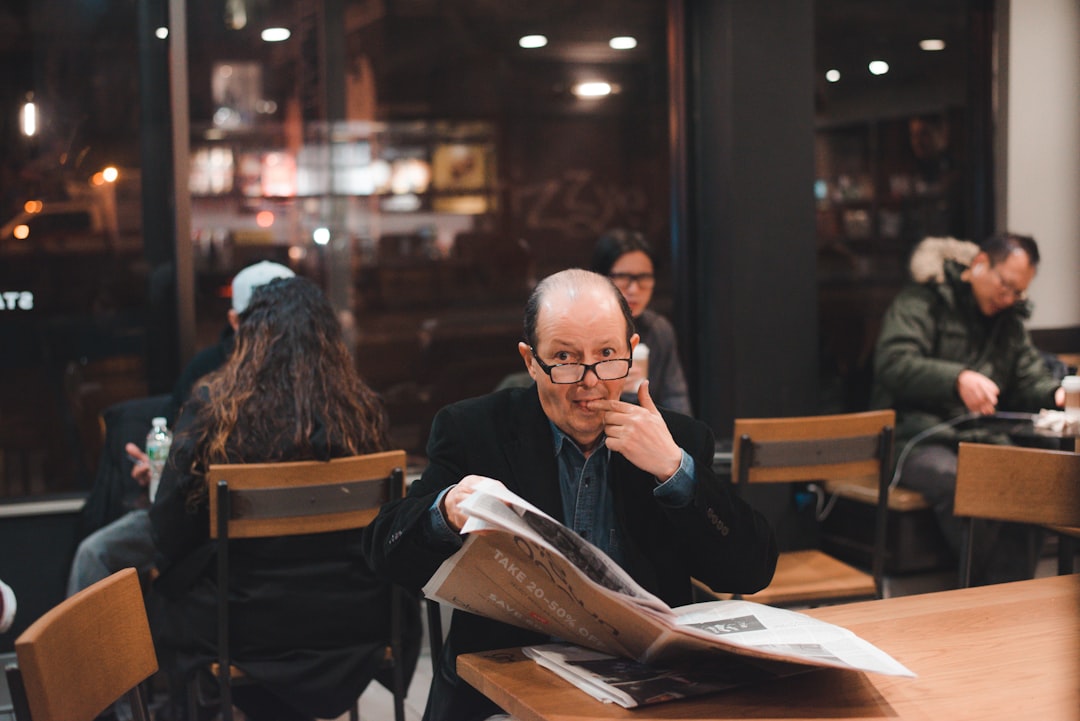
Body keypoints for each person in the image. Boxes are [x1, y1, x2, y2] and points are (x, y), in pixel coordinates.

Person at [364, 268, 777, 721]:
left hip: (643, 688)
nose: (590, 381)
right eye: (564, 357)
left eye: (607, 355)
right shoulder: (475, 431)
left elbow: (750, 570)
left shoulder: (674, 438)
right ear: (530, 361)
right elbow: (386, 553)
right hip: (511, 688)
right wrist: (444, 511)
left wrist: (674, 470)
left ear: (632, 353)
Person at [150, 276, 419, 721]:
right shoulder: (362, 415)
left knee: (168, 591)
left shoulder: (215, 413)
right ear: (331, 340)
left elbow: (167, 532)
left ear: (248, 339)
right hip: (355, 624)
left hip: (244, 628)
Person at [67, 260, 295, 597]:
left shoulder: (316, 378)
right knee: (95, 552)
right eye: (260, 320)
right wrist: (155, 469)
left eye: (282, 319)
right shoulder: (206, 372)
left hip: (262, 531)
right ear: (233, 321)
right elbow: (173, 448)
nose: (271, 331)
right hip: (217, 524)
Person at [870, 233, 1067, 585]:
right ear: (979, 265)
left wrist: (1057, 395)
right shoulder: (924, 300)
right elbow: (893, 363)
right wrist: (956, 379)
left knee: (1036, 476)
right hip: (916, 435)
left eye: (1018, 292)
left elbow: (1027, 378)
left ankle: (1012, 594)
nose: (1008, 298)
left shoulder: (1008, 321)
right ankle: (985, 593)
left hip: (980, 434)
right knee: (966, 482)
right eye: (1004, 285)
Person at [591, 229, 692, 415]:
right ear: (601, 278)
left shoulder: (658, 330)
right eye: (623, 277)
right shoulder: (583, 327)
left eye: (644, 278)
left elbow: (676, 398)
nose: (634, 289)